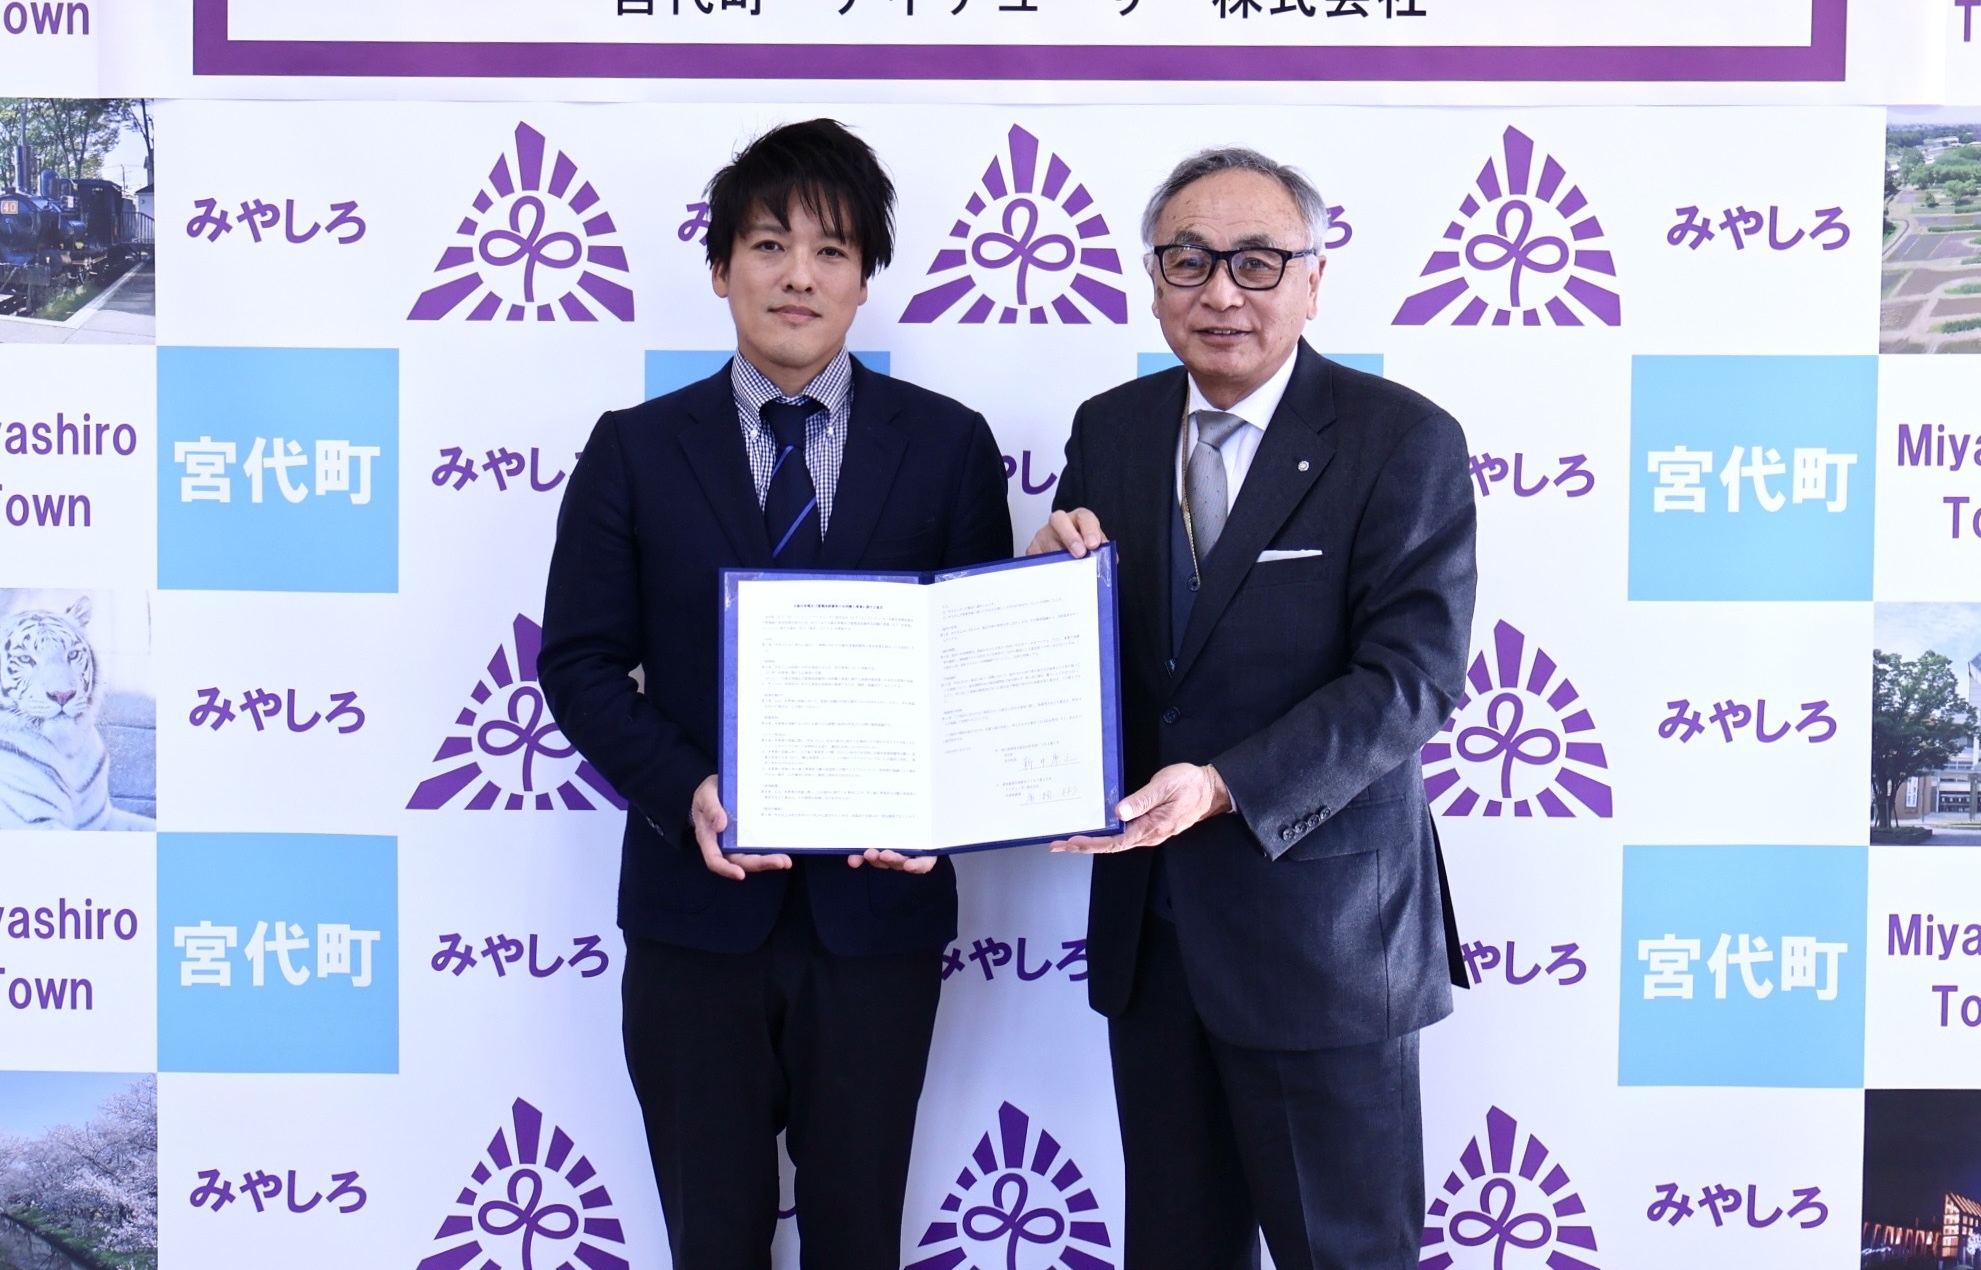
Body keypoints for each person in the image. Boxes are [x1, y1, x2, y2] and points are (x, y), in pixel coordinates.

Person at [538, 119, 1011, 1270]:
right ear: (720, 269)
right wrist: (687, 791)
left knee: (859, 1238)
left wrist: (939, 811)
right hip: (695, 915)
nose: (799, 275)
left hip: (876, 917)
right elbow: (580, 662)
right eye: (768, 245)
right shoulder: (635, 450)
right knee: (711, 1238)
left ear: (864, 281)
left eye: (831, 251)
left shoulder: (949, 447)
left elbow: (976, 671)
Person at [1029, 146, 1477, 1270]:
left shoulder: (1400, 439)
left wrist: (1225, 786)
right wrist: (1041, 591)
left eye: (1257, 262)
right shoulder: (1110, 430)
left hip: (1327, 941)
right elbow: (1100, 662)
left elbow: (1410, 679)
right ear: (1152, 280)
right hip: (1154, 940)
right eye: (1188, 261)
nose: (1221, 291)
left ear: (1313, 281)